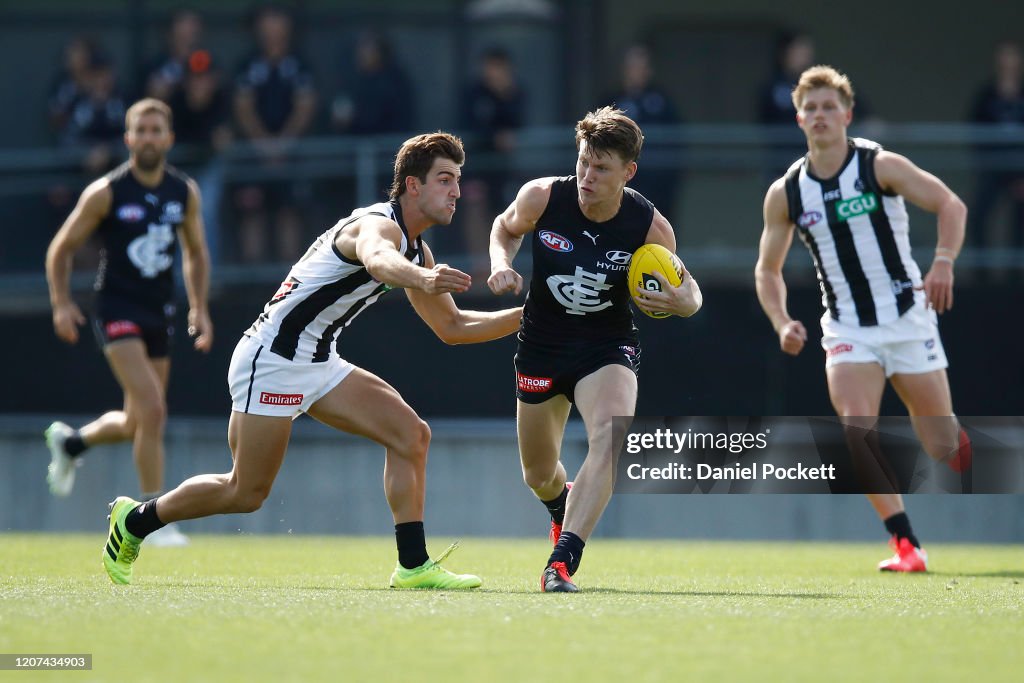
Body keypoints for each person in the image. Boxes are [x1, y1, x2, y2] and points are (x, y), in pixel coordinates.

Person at [101, 132, 523, 588]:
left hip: (319, 362)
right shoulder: (377, 226)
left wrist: (529, 315)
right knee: (245, 492)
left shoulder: (418, 250)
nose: (457, 191)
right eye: (445, 179)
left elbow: (453, 328)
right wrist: (423, 279)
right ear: (412, 186)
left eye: (458, 180)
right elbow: (379, 262)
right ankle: (136, 521)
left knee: (411, 435)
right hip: (272, 358)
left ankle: (413, 565)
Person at [754, 65, 973, 573]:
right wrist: (782, 320)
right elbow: (767, 270)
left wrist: (942, 261)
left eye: (830, 106)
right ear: (798, 119)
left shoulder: (879, 165)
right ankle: (906, 544)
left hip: (906, 318)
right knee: (857, 431)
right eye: (811, 108)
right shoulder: (786, 192)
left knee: (941, 445)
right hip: (847, 326)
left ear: (848, 114)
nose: (820, 115)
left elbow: (950, 204)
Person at [488, 107, 703, 592]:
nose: (587, 175)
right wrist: (501, 263)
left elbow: (691, 292)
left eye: (601, 168)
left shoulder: (650, 227)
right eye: (584, 162)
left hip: (606, 345)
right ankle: (560, 502)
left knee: (612, 436)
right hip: (541, 344)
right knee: (538, 474)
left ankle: (561, 563)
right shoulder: (543, 195)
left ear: (628, 172)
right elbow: (504, 228)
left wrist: (681, 301)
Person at [45, 98, 214, 547]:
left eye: (157, 130)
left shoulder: (184, 192)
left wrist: (199, 306)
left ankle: (71, 444)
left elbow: (196, 252)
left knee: (138, 419)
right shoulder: (106, 191)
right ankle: (150, 515)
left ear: (169, 138)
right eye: (141, 130)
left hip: (159, 311)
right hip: (116, 311)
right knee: (154, 409)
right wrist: (61, 304)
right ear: (128, 139)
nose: (149, 138)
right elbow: (60, 248)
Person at [231, 4, 317, 263]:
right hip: (254, 154)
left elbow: (306, 105)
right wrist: (263, 145)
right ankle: (251, 283)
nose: (272, 26)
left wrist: (283, 144)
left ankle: (288, 284)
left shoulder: (299, 63)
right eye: (267, 19)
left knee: (288, 210)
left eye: (278, 19)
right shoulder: (248, 63)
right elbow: (242, 106)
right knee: (251, 210)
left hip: (290, 153)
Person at [602, 44, 680, 216]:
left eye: (643, 66)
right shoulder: (612, 101)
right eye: (633, 66)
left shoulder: (662, 100)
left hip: (658, 178)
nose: (638, 71)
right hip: (624, 178)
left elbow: (676, 134)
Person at [967, 40, 1024, 257]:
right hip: (992, 167)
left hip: (1019, 169)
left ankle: (1015, 276)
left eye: (1013, 56)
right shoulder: (986, 95)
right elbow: (975, 130)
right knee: (978, 216)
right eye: (1004, 56)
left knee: (1018, 221)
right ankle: (983, 275)